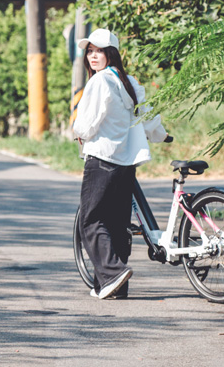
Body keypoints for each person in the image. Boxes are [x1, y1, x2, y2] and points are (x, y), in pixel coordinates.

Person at [71, 28, 168, 299]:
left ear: (111, 53)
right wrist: (162, 136)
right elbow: (147, 119)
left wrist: (78, 132)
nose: (93, 56)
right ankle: (116, 286)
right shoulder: (130, 82)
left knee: (90, 221)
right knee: (116, 224)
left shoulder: (100, 82)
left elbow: (87, 123)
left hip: (102, 159)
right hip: (126, 164)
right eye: (89, 51)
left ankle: (112, 273)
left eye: (99, 51)